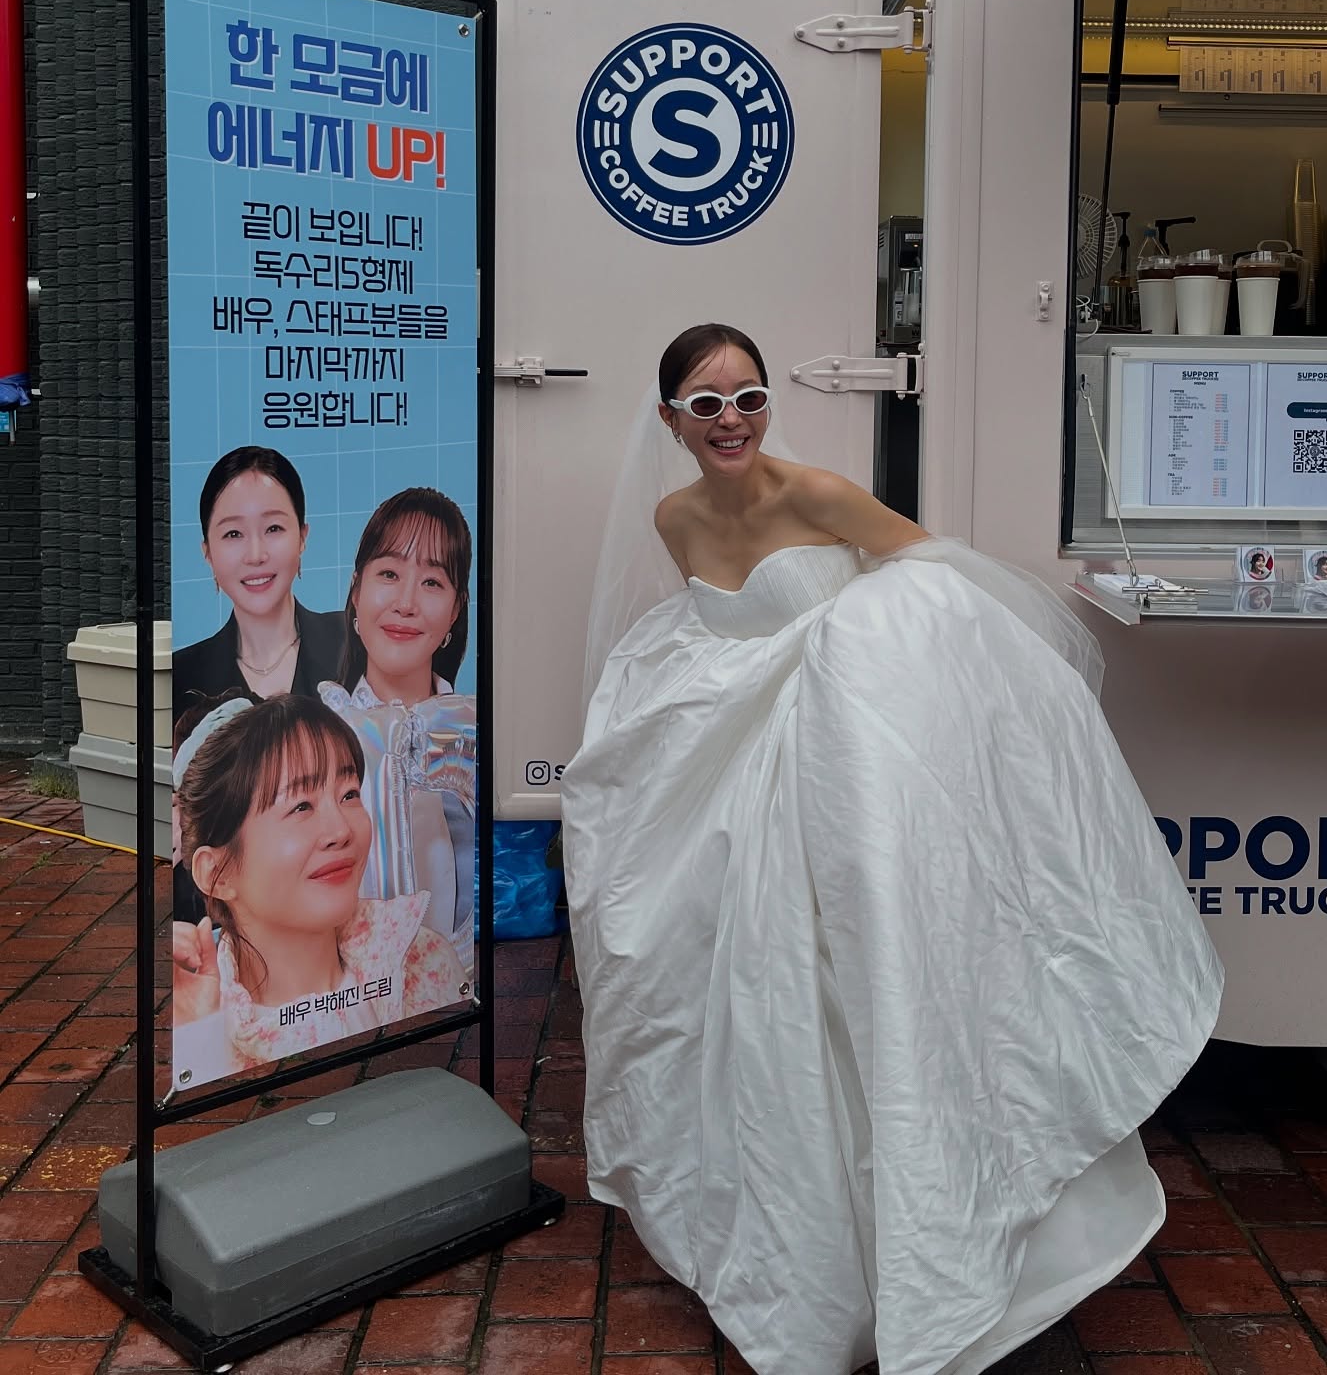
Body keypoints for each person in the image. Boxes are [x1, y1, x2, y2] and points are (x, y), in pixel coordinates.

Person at [562, 322, 1224, 1375]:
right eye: (707, 403)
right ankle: (801, 1249)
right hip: (740, 761)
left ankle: (940, 1238)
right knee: (737, 983)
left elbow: (934, 577)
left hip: (842, 764)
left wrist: (853, 652)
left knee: (869, 973)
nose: (732, 419)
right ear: (671, 420)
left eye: (749, 396)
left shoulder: (817, 495)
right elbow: (710, 636)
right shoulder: (673, 516)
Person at [170, 694, 468, 1089]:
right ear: (217, 874)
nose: (341, 831)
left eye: (349, 794)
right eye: (301, 806)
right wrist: (201, 1039)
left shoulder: (422, 960)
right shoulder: (199, 1014)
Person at [319, 489, 476, 961]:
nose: (406, 603)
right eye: (389, 574)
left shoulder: (476, 731)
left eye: (432, 582)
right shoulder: (317, 740)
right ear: (356, 591)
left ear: (456, 609)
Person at [173, 447, 345, 709]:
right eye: (233, 534)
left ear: (302, 537)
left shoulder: (356, 642)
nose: (255, 555)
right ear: (207, 552)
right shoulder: (182, 679)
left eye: (273, 528)